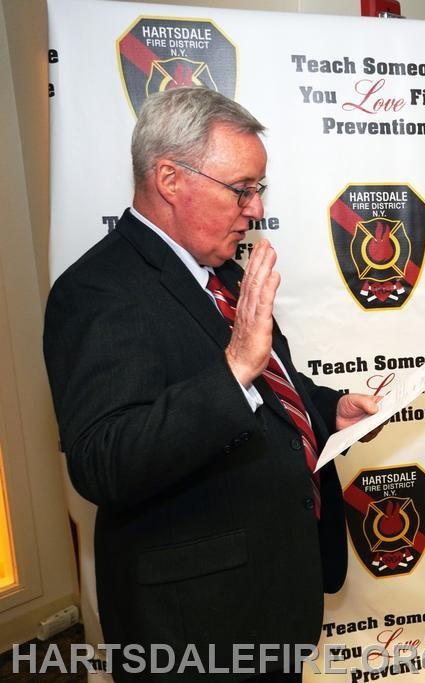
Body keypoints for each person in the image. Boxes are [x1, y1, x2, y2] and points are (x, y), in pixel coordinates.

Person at [43, 87, 381, 681]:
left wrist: (327, 408)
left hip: (269, 601)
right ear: (170, 179)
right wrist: (234, 370)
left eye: (259, 190)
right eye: (242, 189)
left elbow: (267, 385)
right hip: (192, 628)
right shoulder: (97, 292)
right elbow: (103, 461)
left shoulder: (221, 271)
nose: (255, 209)